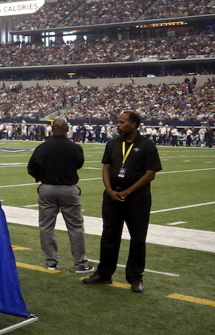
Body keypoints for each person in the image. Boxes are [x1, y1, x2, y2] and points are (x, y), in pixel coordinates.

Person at [83, 111, 162, 293]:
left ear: (133, 124)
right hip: (112, 198)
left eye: (121, 122)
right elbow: (106, 168)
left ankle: (135, 277)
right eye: (117, 122)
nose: (117, 125)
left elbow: (150, 174)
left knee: (137, 239)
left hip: (137, 199)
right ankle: (104, 274)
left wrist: (128, 191)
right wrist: (110, 190)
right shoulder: (113, 143)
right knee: (109, 236)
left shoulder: (147, 145)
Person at [27, 118, 91, 273]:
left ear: (52, 128)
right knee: (75, 227)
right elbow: (79, 164)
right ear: (67, 128)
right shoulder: (75, 147)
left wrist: (42, 177)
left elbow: (30, 168)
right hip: (69, 188)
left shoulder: (43, 147)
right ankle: (80, 263)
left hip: (48, 188)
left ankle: (51, 261)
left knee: (46, 226)